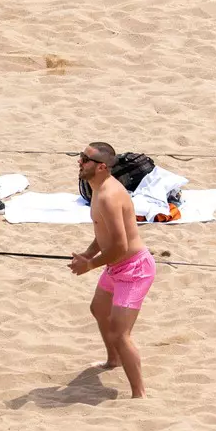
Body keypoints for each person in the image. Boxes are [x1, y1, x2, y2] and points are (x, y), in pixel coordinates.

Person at [69, 142, 155, 399]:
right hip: (116, 265)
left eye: (85, 159)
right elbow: (103, 233)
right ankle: (113, 360)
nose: (79, 162)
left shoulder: (108, 196)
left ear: (102, 166)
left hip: (134, 270)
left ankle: (139, 394)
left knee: (120, 333)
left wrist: (89, 265)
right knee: (98, 309)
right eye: (81, 157)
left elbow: (120, 245)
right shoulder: (97, 188)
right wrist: (87, 254)